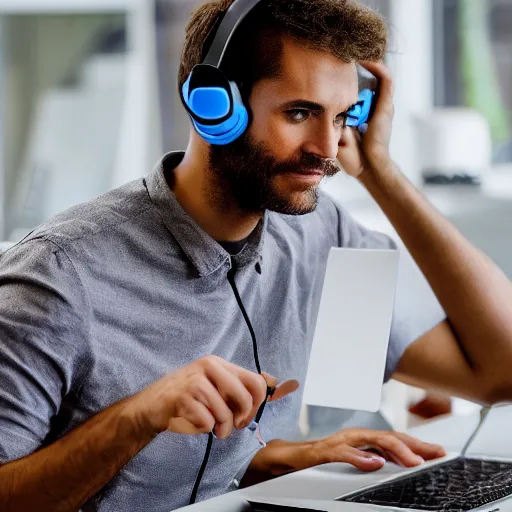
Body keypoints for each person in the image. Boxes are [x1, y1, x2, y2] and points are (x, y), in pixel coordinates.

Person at [1, 0, 512, 511]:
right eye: (299, 113)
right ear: (213, 106)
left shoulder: (319, 231)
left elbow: (499, 372)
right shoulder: (58, 273)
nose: (328, 149)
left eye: (339, 118)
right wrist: (138, 416)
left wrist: (380, 172)